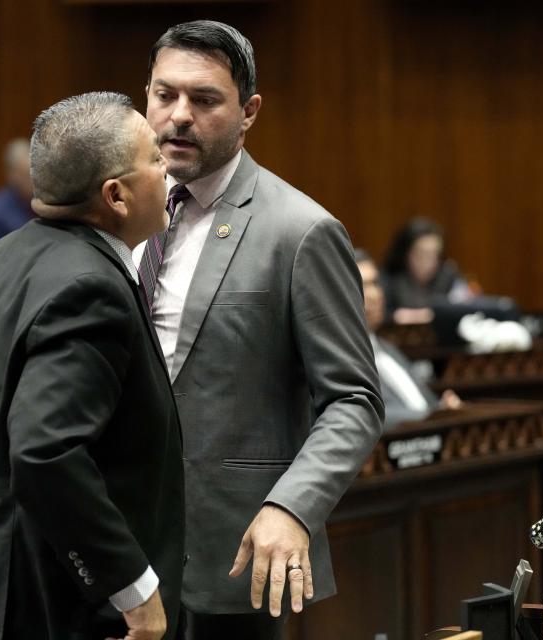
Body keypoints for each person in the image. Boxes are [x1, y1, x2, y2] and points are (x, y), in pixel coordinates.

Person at [138, 21, 384, 638]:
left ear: (248, 112)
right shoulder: (120, 212)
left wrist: (291, 506)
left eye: (205, 99)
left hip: (235, 550)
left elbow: (353, 401)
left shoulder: (300, 231)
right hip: (124, 548)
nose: (179, 116)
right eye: (164, 95)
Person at [0, 92, 184, 640]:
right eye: (156, 159)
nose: (168, 170)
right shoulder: (90, 287)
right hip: (55, 609)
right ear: (116, 195)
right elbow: (43, 452)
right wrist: (132, 588)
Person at [354, 248, 462, 428]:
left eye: (375, 283)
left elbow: (423, 403)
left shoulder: (388, 349)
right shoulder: (339, 358)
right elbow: (365, 416)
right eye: (362, 286)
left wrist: (444, 408)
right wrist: (434, 416)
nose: (374, 295)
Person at [381, 217, 475, 324]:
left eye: (434, 254)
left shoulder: (449, 275)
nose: (428, 262)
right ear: (405, 253)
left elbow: (466, 308)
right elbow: (379, 315)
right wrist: (394, 316)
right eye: (421, 254)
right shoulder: (389, 278)